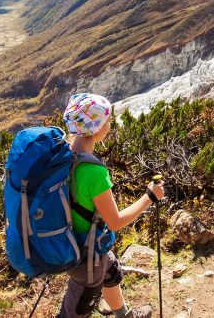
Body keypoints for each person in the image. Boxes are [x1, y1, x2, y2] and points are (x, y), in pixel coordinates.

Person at [58, 93, 165, 318]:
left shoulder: (63, 155)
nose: (110, 123)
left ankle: (124, 315)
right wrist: (150, 196)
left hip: (70, 241)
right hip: (84, 256)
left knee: (110, 271)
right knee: (74, 311)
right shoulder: (94, 172)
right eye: (107, 119)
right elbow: (115, 222)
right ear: (95, 128)